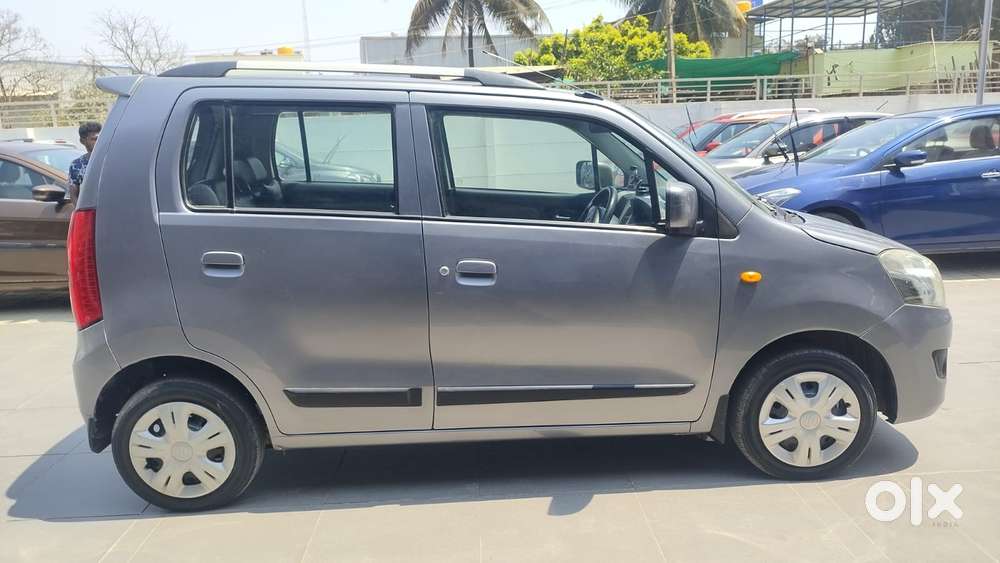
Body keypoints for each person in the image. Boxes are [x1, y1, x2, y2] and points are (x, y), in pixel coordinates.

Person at [68, 122, 102, 198]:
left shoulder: (110, 160)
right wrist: (80, 210)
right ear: (82, 141)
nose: (98, 142)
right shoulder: (76, 165)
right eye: (94, 139)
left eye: (100, 138)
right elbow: (73, 195)